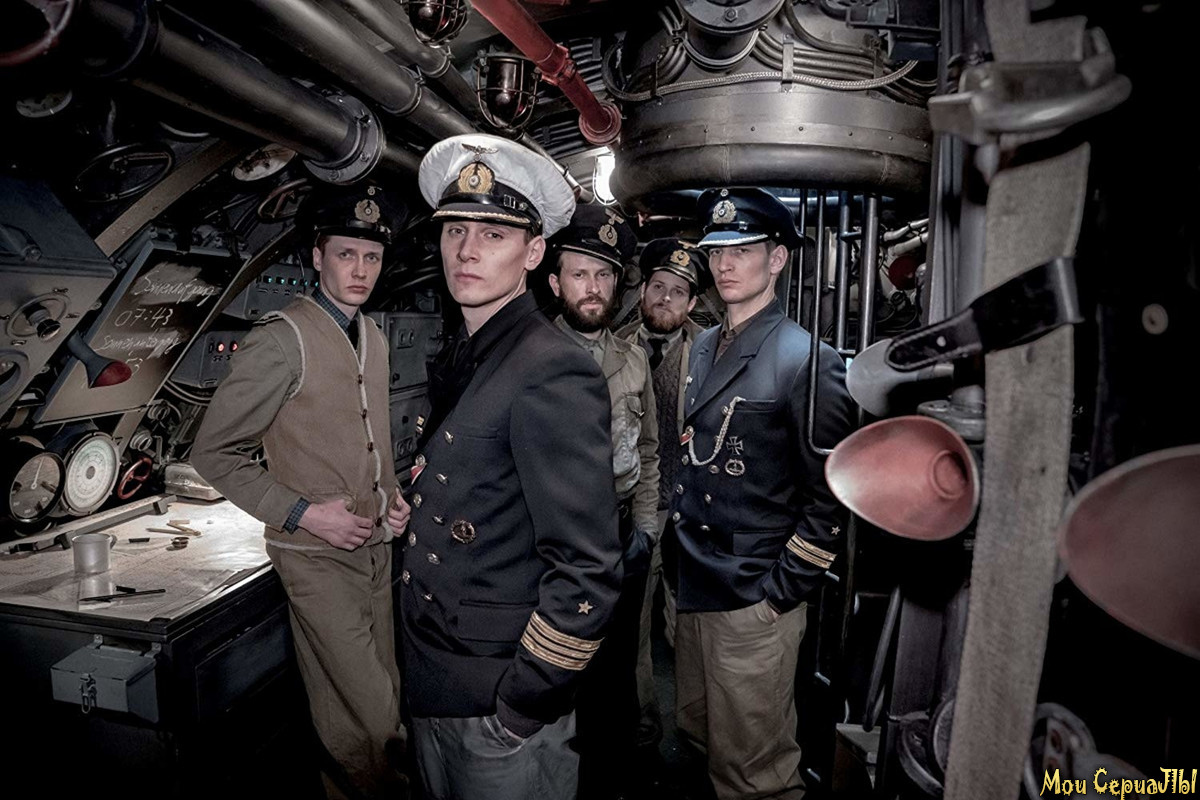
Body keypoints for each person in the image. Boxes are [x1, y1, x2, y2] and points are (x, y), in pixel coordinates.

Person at [403, 133, 623, 800]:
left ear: (533, 253)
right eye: (456, 230)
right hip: (436, 677)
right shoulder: (471, 352)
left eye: (493, 234)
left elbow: (588, 568)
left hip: (496, 699)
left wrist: (522, 706)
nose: (467, 250)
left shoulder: (550, 368)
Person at [192, 183, 410, 799]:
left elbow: (372, 439)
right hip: (317, 559)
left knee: (382, 704)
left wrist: (392, 497)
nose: (361, 270)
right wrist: (305, 514)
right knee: (371, 723)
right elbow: (214, 453)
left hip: (375, 551)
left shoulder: (373, 334)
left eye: (372, 257)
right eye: (346, 254)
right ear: (318, 257)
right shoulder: (281, 339)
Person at [666, 187, 856, 800]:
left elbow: (830, 499)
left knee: (754, 772)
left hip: (752, 591)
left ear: (777, 259)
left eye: (743, 250)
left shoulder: (807, 359)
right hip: (694, 580)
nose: (724, 264)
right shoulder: (702, 345)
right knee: (700, 732)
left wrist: (779, 595)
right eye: (717, 251)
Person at [546, 204, 660, 799]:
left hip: (620, 537)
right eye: (580, 274)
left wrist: (645, 531)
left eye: (604, 275)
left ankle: (611, 780)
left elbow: (649, 450)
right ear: (555, 282)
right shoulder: (532, 355)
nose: (592, 287)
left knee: (616, 674)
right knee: (561, 673)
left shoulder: (633, 358)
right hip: (553, 543)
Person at [615, 239, 706, 748]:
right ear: (643, 291)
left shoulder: (711, 353)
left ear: (691, 303)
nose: (665, 298)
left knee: (688, 624)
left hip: (691, 509)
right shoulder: (613, 348)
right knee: (635, 618)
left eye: (678, 292)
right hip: (640, 505)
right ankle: (642, 710)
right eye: (658, 287)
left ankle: (697, 728)